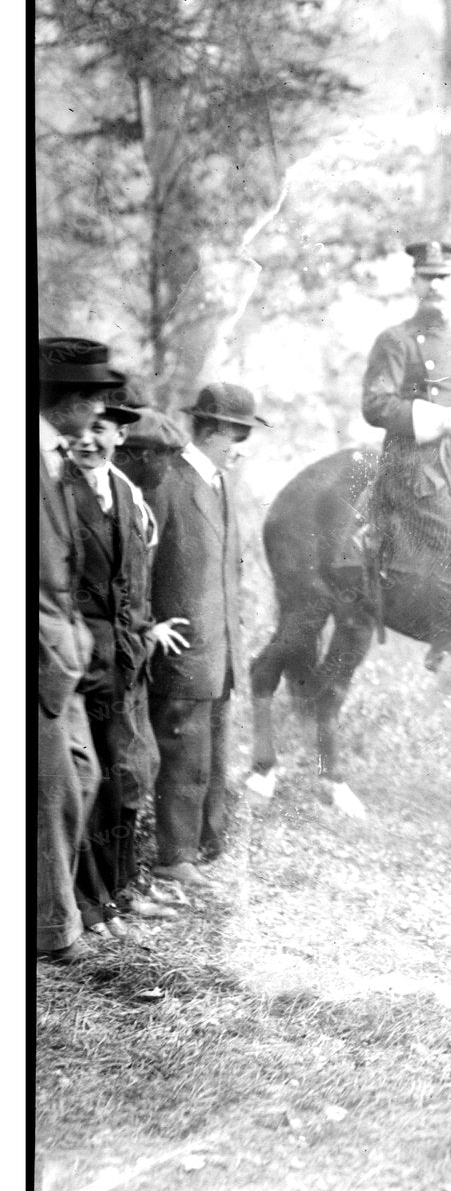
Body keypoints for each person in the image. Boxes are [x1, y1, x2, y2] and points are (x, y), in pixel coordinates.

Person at [65, 393, 182, 934]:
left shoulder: (126, 493)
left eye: (102, 429)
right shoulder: (57, 492)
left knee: (132, 773)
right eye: (83, 428)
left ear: (119, 437)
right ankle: (93, 905)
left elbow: (134, 578)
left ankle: (122, 889)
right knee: (94, 784)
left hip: (129, 660)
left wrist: (148, 629)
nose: (89, 438)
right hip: (84, 664)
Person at [145, 383, 265, 891]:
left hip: (220, 651)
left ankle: (207, 843)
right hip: (182, 650)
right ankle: (175, 855)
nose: (241, 445)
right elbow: (139, 567)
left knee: (214, 748)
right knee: (184, 751)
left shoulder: (221, 484)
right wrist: (145, 626)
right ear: (214, 431)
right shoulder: (166, 484)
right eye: (238, 434)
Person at [361, 239, 451, 696]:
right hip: (410, 466)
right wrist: (437, 420)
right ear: (414, 282)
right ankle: (444, 644)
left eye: (444, 277)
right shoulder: (395, 341)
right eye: (427, 277)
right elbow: (375, 404)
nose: (435, 285)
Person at [38, 337, 124, 963]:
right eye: (91, 397)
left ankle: (53, 915)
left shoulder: (53, 457)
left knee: (82, 778)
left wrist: (76, 633)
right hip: (38, 655)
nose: (98, 410)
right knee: (49, 791)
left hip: (60, 650)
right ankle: (52, 930)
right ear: (62, 401)